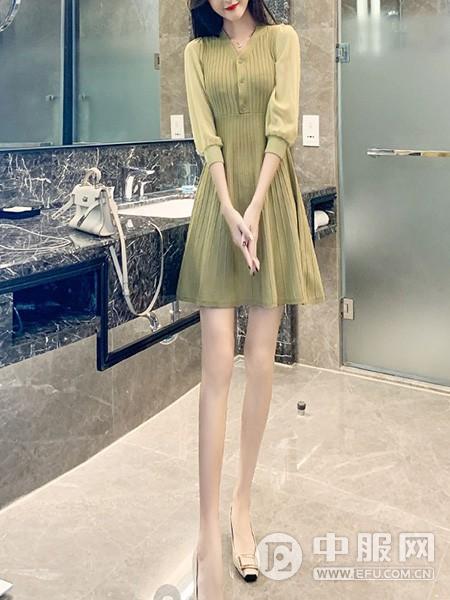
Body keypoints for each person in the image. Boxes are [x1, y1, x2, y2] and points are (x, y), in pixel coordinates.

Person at [176, 1, 326, 597]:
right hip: (219, 208)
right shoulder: (197, 53)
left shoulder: (282, 39)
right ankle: (206, 532)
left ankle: (242, 508)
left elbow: (281, 127)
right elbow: (206, 139)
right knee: (217, 362)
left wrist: (257, 208)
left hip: (271, 204)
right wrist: (229, 207)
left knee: (260, 361)